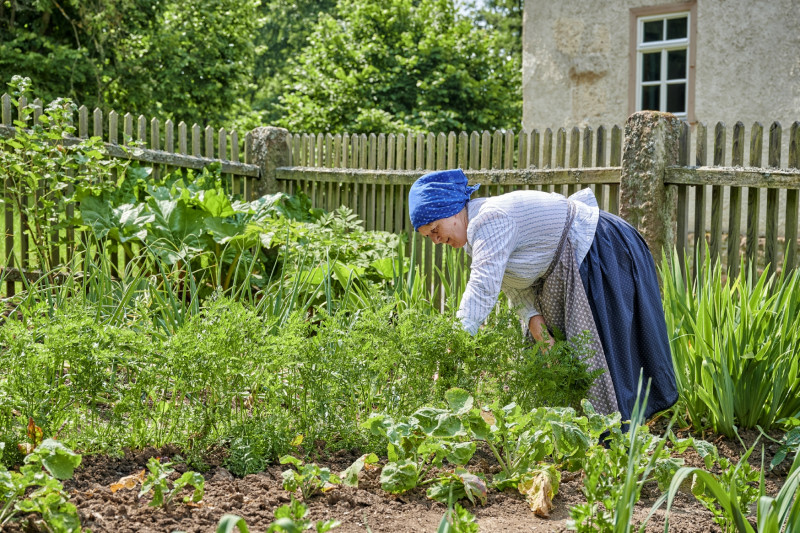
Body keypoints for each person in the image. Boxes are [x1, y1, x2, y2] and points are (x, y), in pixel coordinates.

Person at [408, 168, 678, 421]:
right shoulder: (473, 238)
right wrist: (532, 316)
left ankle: (616, 435)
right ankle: (585, 431)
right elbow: (513, 281)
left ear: (454, 211)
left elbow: (482, 288)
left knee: (602, 348)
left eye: (435, 229)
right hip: (567, 264)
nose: (435, 240)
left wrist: (454, 343)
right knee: (558, 355)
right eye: (427, 236)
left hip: (602, 249)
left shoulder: (488, 220)